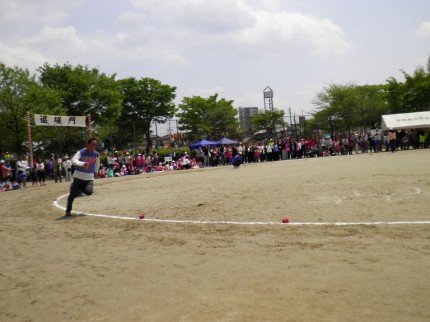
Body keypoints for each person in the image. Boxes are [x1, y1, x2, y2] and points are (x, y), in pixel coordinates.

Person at [65, 138, 100, 217]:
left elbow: (97, 164)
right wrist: (83, 164)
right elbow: (73, 160)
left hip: (89, 178)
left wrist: (96, 172)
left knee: (89, 192)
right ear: (87, 144)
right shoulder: (81, 152)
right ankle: (68, 209)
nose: (93, 146)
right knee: (73, 195)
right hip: (78, 177)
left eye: (95, 145)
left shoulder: (96, 154)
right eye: (92, 144)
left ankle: (79, 189)